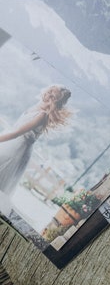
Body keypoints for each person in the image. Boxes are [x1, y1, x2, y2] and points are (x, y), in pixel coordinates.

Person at [0, 85, 72, 213]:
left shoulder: (42, 115)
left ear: (55, 101)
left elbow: (17, 133)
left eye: (53, 96)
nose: (48, 95)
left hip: (16, 149)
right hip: (10, 143)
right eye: (49, 91)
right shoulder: (36, 106)